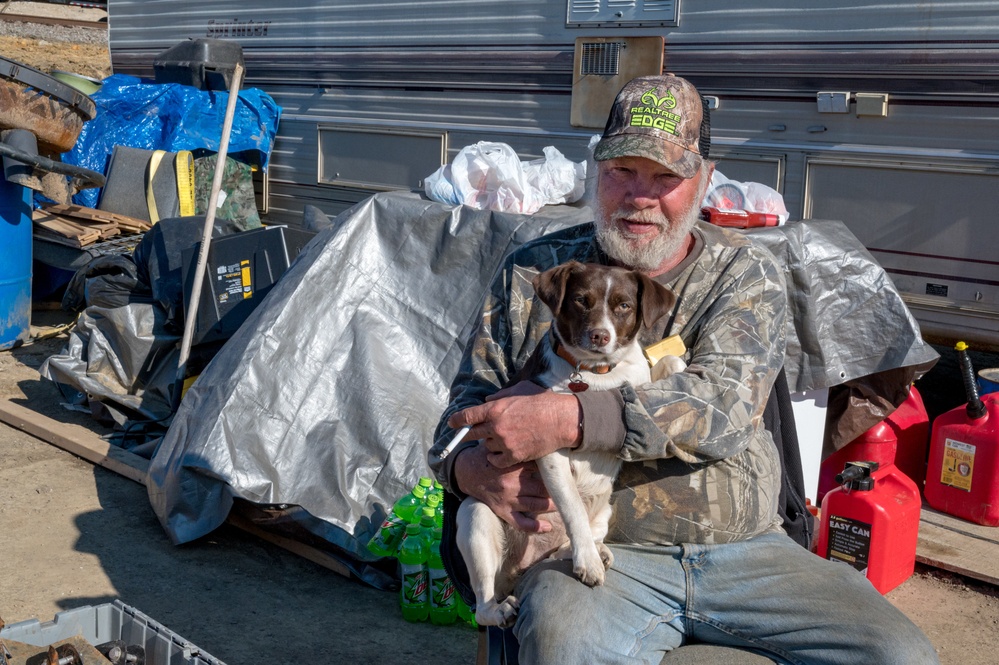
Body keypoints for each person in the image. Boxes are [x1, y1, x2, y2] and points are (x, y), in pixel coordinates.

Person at [429, 74, 938, 665]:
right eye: (623, 171)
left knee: (898, 653)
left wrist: (565, 418)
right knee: (565, 646)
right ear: (598, 173)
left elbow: (718, 409)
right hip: (594, 546)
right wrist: (468, 471)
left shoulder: (743, 274)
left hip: (745, 555)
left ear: (701, 178)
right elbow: (455, 423)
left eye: (666, 177)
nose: (641, 196)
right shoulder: (534, 272)